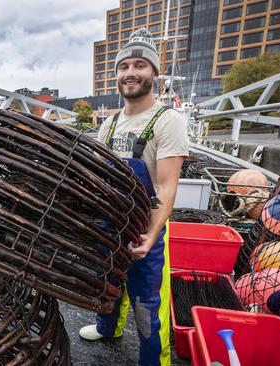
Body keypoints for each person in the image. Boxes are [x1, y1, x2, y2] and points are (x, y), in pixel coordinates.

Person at [79, 28, 189, 366]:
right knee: (108, 284)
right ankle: (107, 328)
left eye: (140, 65)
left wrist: (151, 234)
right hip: (108, 226)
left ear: (154, 73)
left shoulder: (167, 121)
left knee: (147, 302)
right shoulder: (107, 125)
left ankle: (154, 361)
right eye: (124, 66)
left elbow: (168, 186)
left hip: (146, 228)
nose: (130, 73)